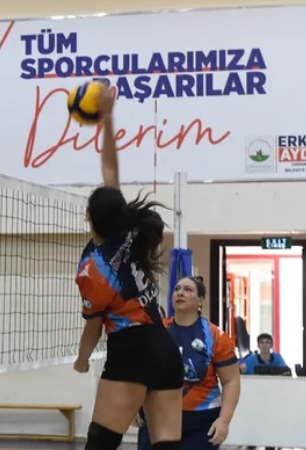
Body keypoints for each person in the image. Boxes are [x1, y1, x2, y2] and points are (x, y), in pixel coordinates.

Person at [72, 84, 183, 450]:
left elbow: (93, 327)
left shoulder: (92, 271)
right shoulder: (131, 231)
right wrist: (108, 117)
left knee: (101, 443)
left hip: (131, 350)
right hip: (164, 347)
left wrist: (82, 360)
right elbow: (110, 170)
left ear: (88, 216)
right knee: (166, 445)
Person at [136, 276, 242, 450]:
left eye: (188, 290)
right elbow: (140, 372)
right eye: (177, 289)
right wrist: (135, 406)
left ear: (200, 300)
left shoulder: (215, 336)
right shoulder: (157, 331)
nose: (180, 293)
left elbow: (231, 381)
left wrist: (224, 420)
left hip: (201, 420)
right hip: (158, 414)